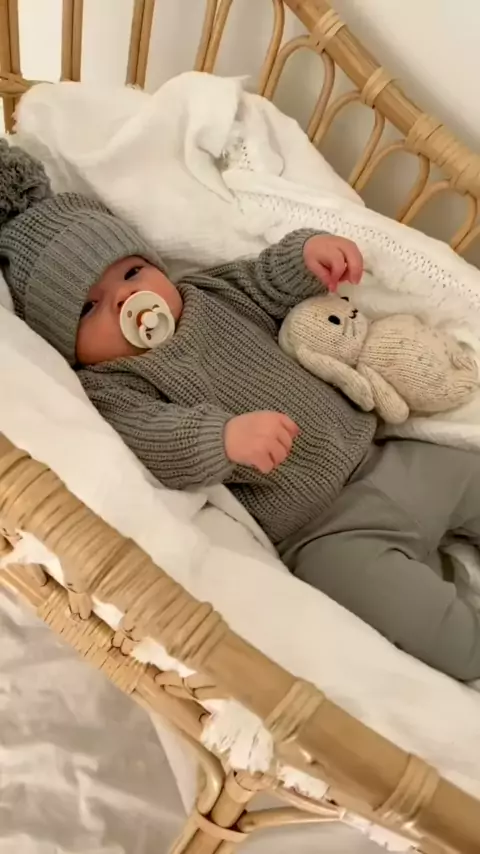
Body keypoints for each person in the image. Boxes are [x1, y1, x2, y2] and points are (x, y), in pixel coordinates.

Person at [2, 140, 480, 681]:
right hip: (326, 535)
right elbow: (154, 437)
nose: (125, 301)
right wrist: (222, 439)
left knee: (469, 478)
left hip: (387, 459)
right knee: (419, 618)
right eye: (89, 307)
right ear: (66, 345)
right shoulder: (112, 386)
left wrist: (308, 256)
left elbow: (266, 280)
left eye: (132, 273)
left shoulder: (209, 295)